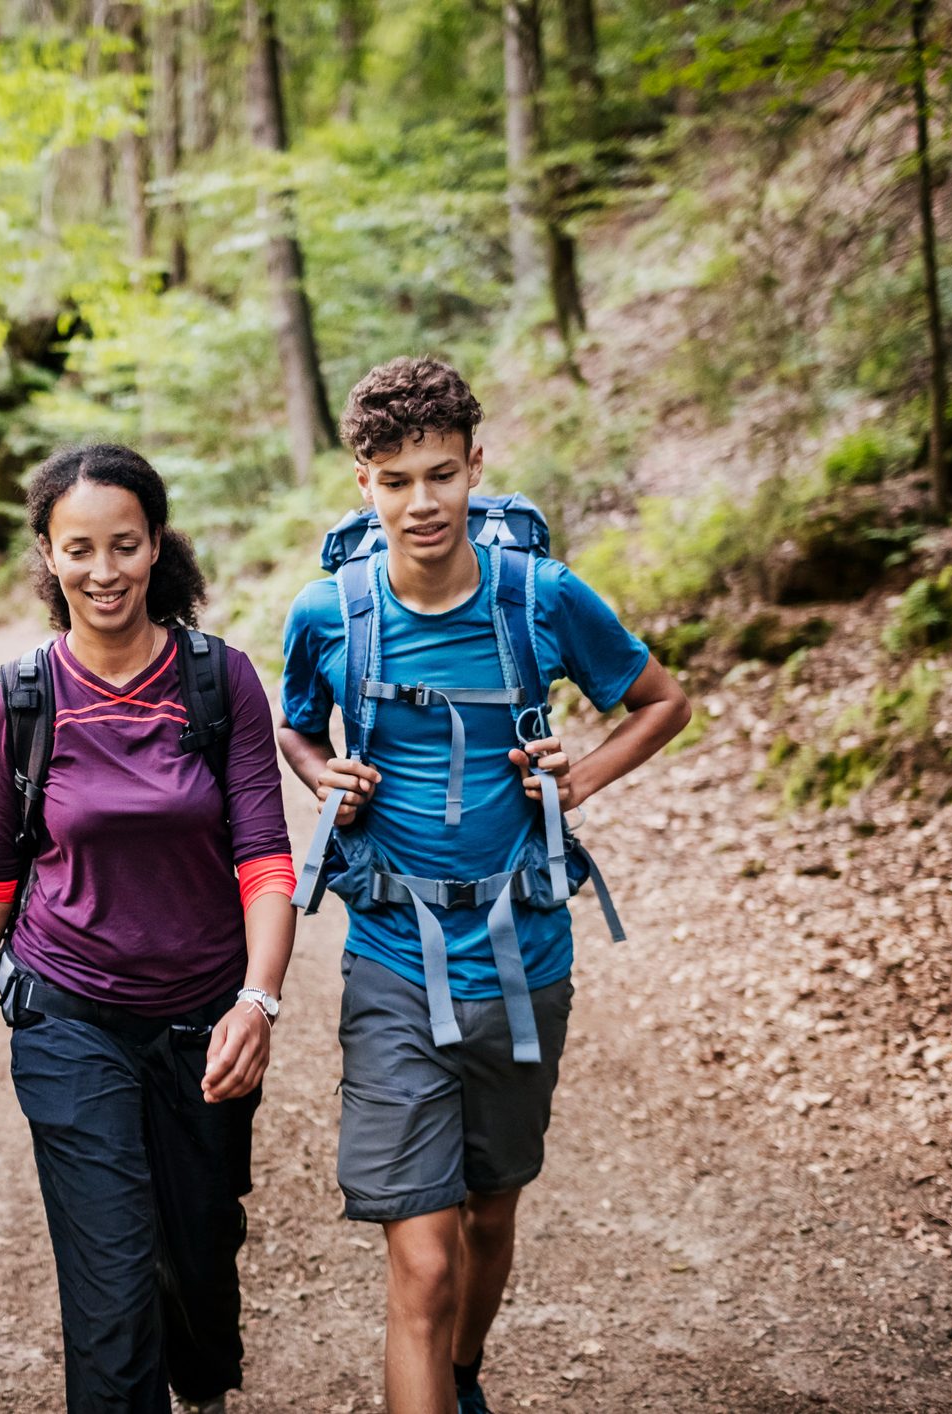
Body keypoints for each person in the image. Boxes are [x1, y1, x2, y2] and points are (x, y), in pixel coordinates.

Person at [276, 358, 691, 1414]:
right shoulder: (329, 612)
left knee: (490, 1218)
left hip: (525, 951)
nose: (423, 502)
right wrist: (324, 772)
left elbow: (660, 699)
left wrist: (579, 773)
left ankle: (462, 1377)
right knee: (420, 1262)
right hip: (391, 957)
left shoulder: (541, 597)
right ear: (360, 479)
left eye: (443, 474)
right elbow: (293, 721)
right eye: (398, 478)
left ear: (476, 466)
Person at [0, 443, 299, 1414]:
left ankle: (205, 1381)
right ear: (47, 556)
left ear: (156, 545)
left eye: (124, 545)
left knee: (199, 1257)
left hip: (205, 1023)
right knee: (112, 1287)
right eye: (78, 548)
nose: (103, 571)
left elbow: (264, 859)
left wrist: (259, 999)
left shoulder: (221, 684)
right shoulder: (23, 699)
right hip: (70, 1019)